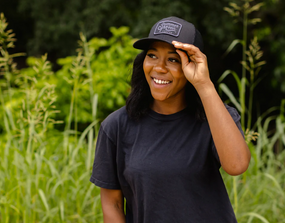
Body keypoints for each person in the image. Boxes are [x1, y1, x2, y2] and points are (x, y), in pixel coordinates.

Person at [90, 16, 251, 223]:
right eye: (152, 56)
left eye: (173, 59)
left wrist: (204, 84)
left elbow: (237, 165)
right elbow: (112, 203)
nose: (159, 67)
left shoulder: (214, 116)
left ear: (192, 65)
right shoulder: (116, 127)